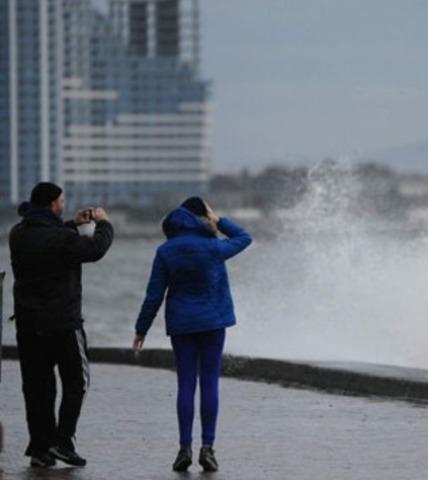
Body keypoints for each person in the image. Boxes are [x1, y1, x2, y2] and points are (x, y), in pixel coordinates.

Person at [132, 197, 251, 472]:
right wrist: (219, 219)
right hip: (212, 323)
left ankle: (184, 449)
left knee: (186, 384)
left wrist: (141, 329)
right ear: (201, 217)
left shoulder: (166, 251)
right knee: (209, 383)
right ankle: (207, 450)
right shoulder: (213, 247)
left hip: (182, 325)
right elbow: (244, 237)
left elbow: (154, 296)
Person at [9, 182, 114, 468]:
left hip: (28, 326)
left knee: (37, 388)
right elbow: (94, 249)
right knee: (77, 382)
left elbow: (47, 236)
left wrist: (70, 224)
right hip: (63, 323)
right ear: (54, 203)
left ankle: (41, 449)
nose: (64, 205)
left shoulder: (18, 234)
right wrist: (104, 224)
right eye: (62, 201)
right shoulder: (59, 239)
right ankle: (63, 442)